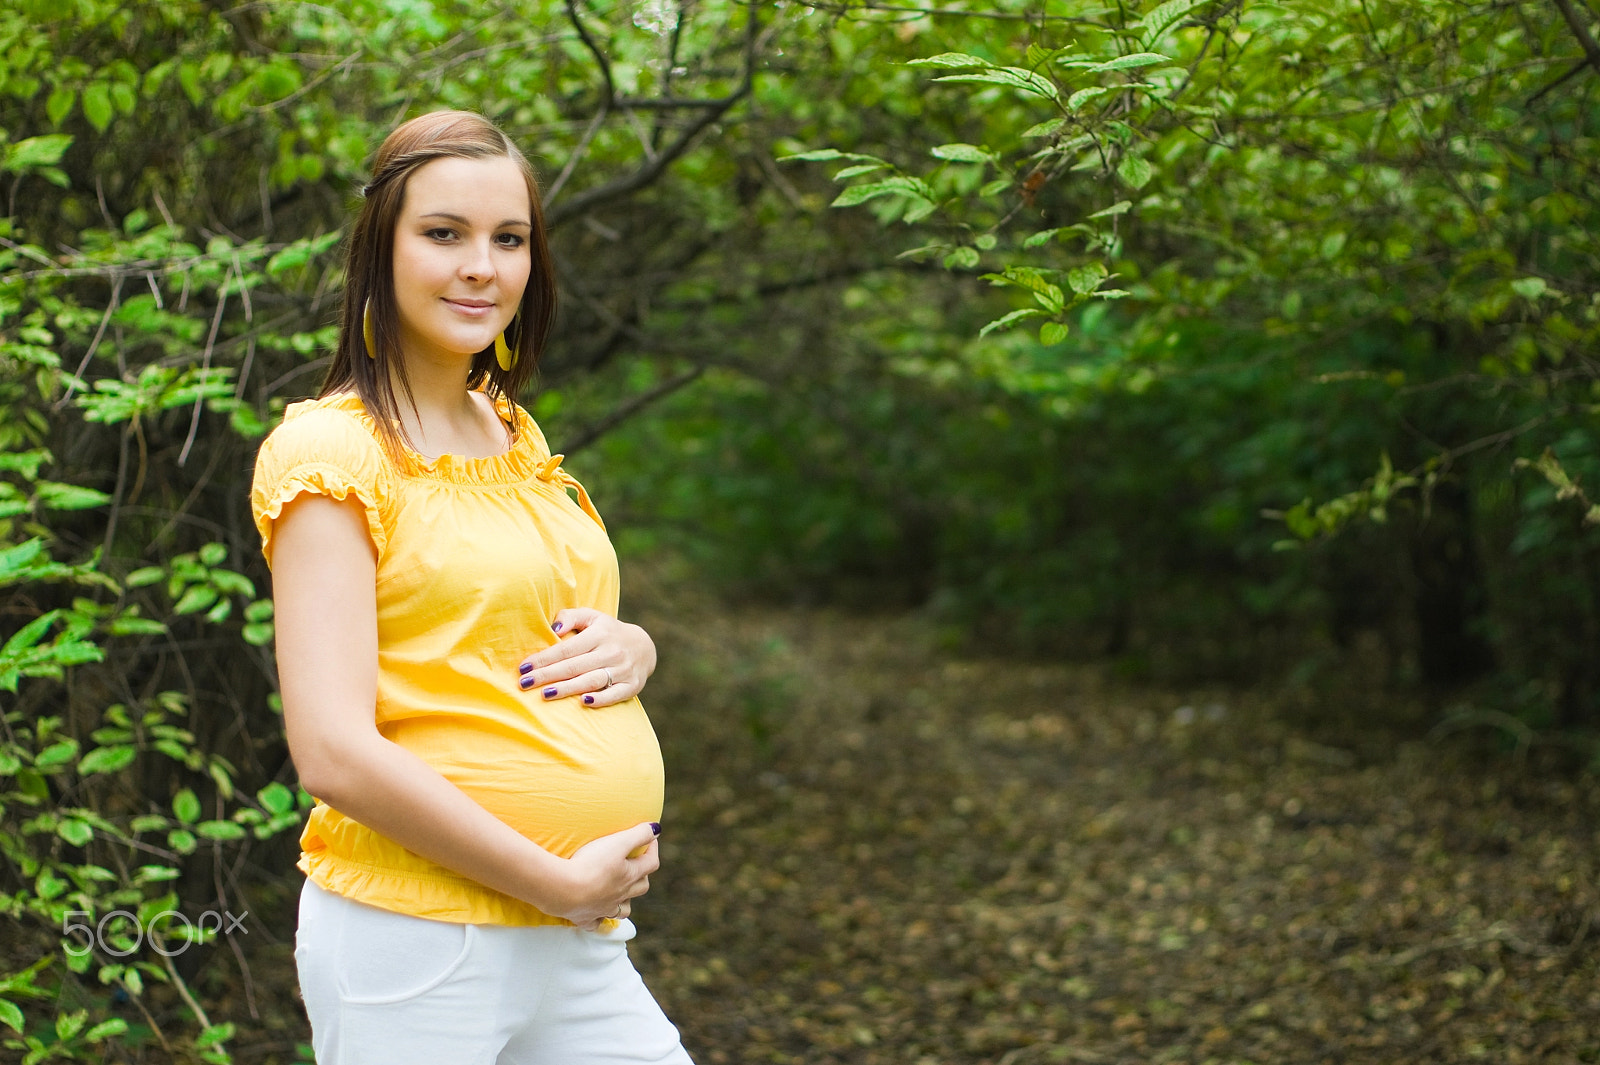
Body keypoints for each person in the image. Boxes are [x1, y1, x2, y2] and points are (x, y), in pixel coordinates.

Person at [249, 110, 693, 1065]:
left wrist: (635, 645)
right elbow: (331, 749)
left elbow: (510, 631)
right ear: (382, 248)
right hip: (419, 939)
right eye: (443, 234)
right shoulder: (332, 454)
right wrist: (551, 879)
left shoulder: (510, 431)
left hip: (572, 940)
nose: (481, 266)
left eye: (510, 238)